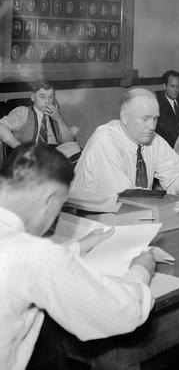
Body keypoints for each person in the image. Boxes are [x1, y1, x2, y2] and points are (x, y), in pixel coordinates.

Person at [0, 143, 157, 370]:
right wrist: (140, 270)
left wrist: (77, 247)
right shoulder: (35, 255)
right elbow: (119, 313)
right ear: (50, 200)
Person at [72, 88, 179, 200]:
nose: (152, 126)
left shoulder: (152, 139)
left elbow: (175, 173)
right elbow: (124, 196)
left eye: (155, 119)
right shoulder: (105, 140)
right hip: (88, 220)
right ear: (125, 117)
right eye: (145, 119)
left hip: (133, 215)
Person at [0, 80, 75, 150]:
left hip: (52, 159)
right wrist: (21, 149)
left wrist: (59, 120)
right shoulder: (23, 112)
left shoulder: (56, 115)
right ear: (33, 97)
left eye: (50, 97)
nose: (47, 101)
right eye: (42, 96)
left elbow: (70, 143)